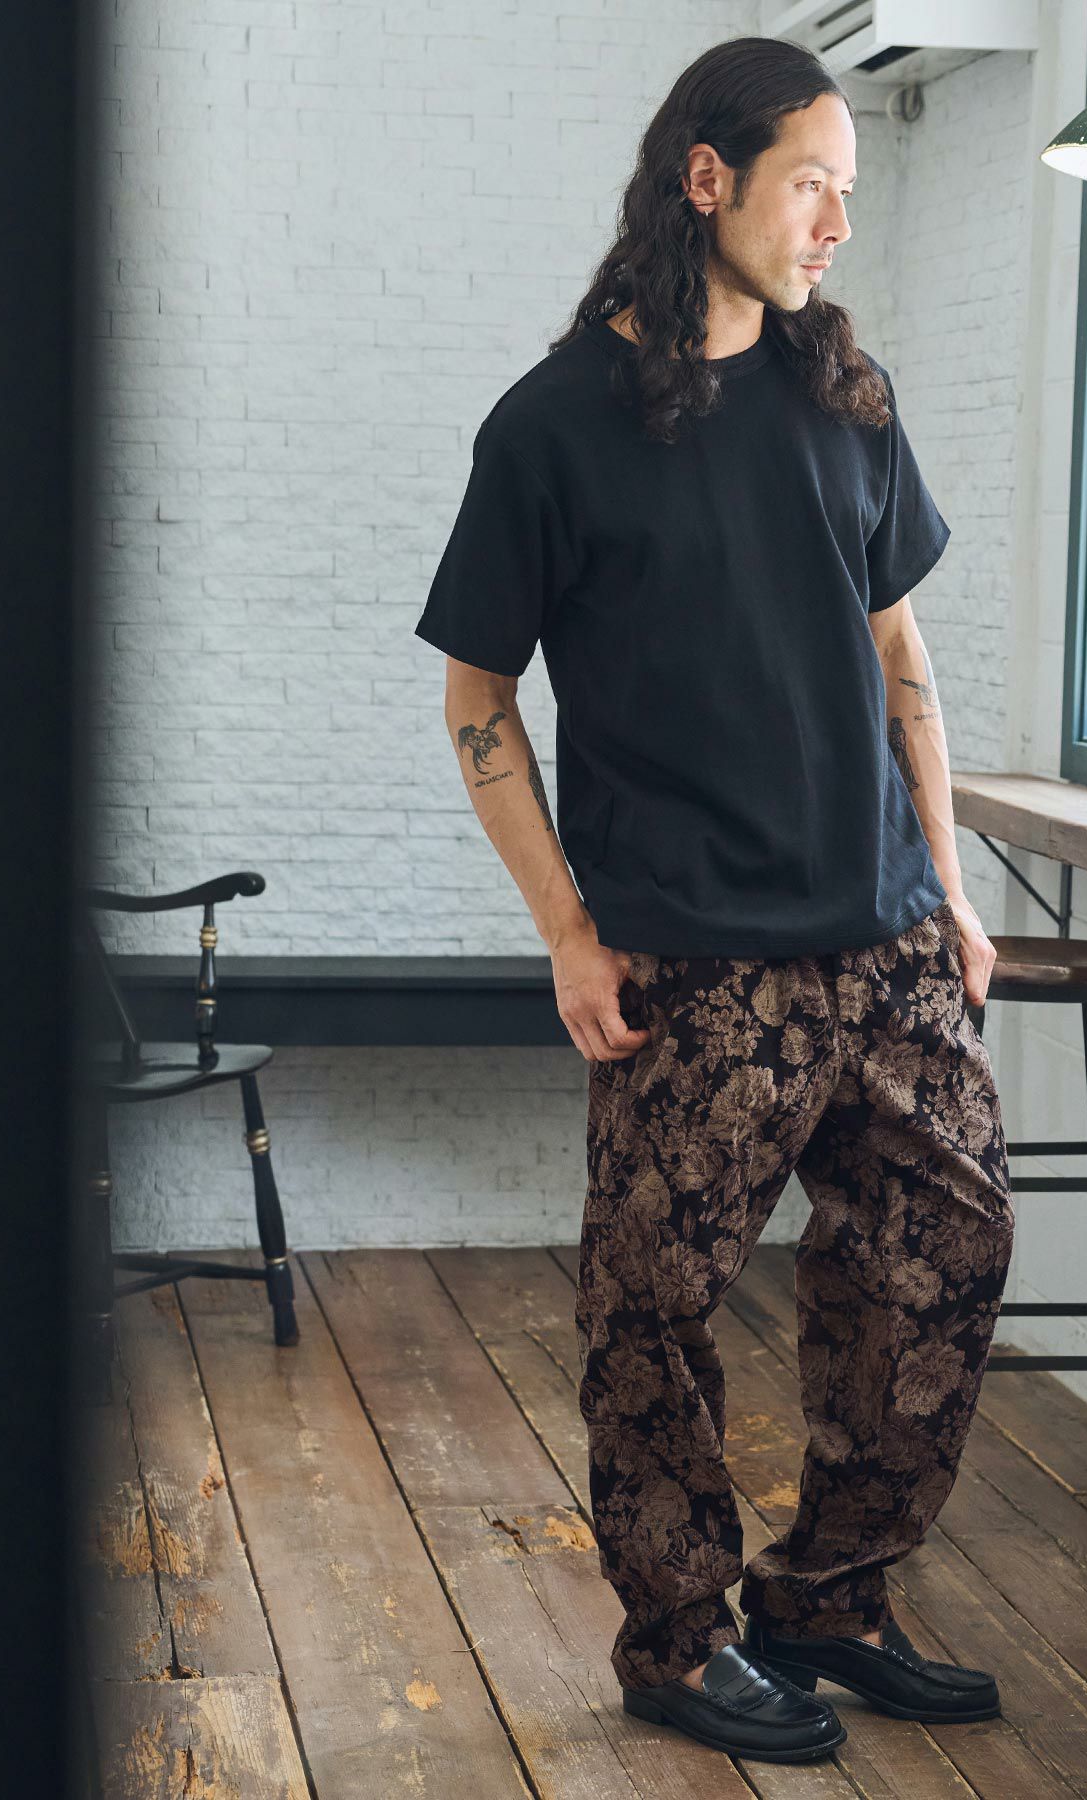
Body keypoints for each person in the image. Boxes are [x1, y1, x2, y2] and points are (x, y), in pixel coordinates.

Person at [415, 33, 1015, 1765]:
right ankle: (678, 1642)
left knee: (945, 1258)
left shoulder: (848, 395)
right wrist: (566, 932)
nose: (836, 221)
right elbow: (477, 698)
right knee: (655, 1311)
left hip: (889, 946)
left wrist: (952, 888)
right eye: (811, 182)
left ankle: (830, 1597)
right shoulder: (551, 427)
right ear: (708, 179)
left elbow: (901, 656)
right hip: (695, 970)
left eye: (849, 189)